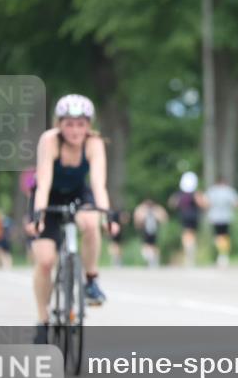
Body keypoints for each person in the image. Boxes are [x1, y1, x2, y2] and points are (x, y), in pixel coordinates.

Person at [27, 94, 119, 344]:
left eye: (80, 124)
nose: (75, 130)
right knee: (45, 261)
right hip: (48, 196)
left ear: (88, 125)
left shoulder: (94, 143)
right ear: (59, 124)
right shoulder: (50, 140)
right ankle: (43, 321)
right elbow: (43, 182)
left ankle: (91, 280)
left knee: (91, 223)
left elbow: (99, 185)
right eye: (69, 124)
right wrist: (39, 214)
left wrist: (107, 215)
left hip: (79, 193)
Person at [169, 171, 207, 266]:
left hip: (183, 215)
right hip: (194, 216)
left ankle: (188, 249)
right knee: (192, 234)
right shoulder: (195, 193)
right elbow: (203, 204)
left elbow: (172, 203)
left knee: (186, 234)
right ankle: (191, 251)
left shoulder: (180, 193)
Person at [206, 178, 238, 267]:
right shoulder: (229, 191)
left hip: (215, 217)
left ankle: (221, 254)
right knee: (225, 236)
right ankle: (223, 254)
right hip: (226, 217)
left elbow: (206, 203)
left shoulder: (212, 191)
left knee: (218, 236)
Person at [133, 199, 168, 268]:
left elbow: (164, 218)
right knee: (147, 245)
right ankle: (150, 260)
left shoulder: (156, 210)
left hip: (153, 230)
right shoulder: (142, 210)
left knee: (153, 245)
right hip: (145, 230)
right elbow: (137, 219)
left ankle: (154, 260)